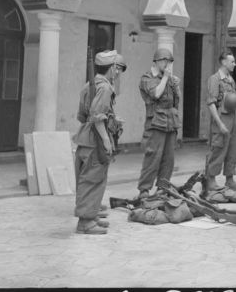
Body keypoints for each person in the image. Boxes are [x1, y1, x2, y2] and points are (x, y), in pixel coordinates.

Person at [74, 50, 125, 234]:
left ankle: (92, 215)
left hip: (85, 137)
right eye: (116, 68)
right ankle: (86, 223)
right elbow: (97, 116)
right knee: (93, 179)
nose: (118, 73)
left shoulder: (89, 85)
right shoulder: (105, 87)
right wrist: (106, 141)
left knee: (91, 178)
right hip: (96, 139)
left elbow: (83, 116)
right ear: (111, 68)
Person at [136, 48, 181, 200]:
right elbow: (156, 94)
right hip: (155, 122)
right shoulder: (147, 78)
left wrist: (175, 85)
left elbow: (175, 102)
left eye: (169, 61)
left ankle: (163, 188)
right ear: (156, 61)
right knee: (152, 157)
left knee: (169, 158)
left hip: (170, 122)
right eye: (165, 61)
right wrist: (165, 78)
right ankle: (144, 189)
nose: (167, 64)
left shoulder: (167, 78)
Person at [204, 51, 236, 193]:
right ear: (223, 62)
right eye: (232, 61)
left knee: (233, 149)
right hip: (221, 118)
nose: (235, 64)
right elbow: (211, 103)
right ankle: (210, 180)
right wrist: (220, 123)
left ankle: (230, 180)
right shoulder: (214, 79)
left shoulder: (230, 79)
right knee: (218, 149)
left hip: (233, 118)